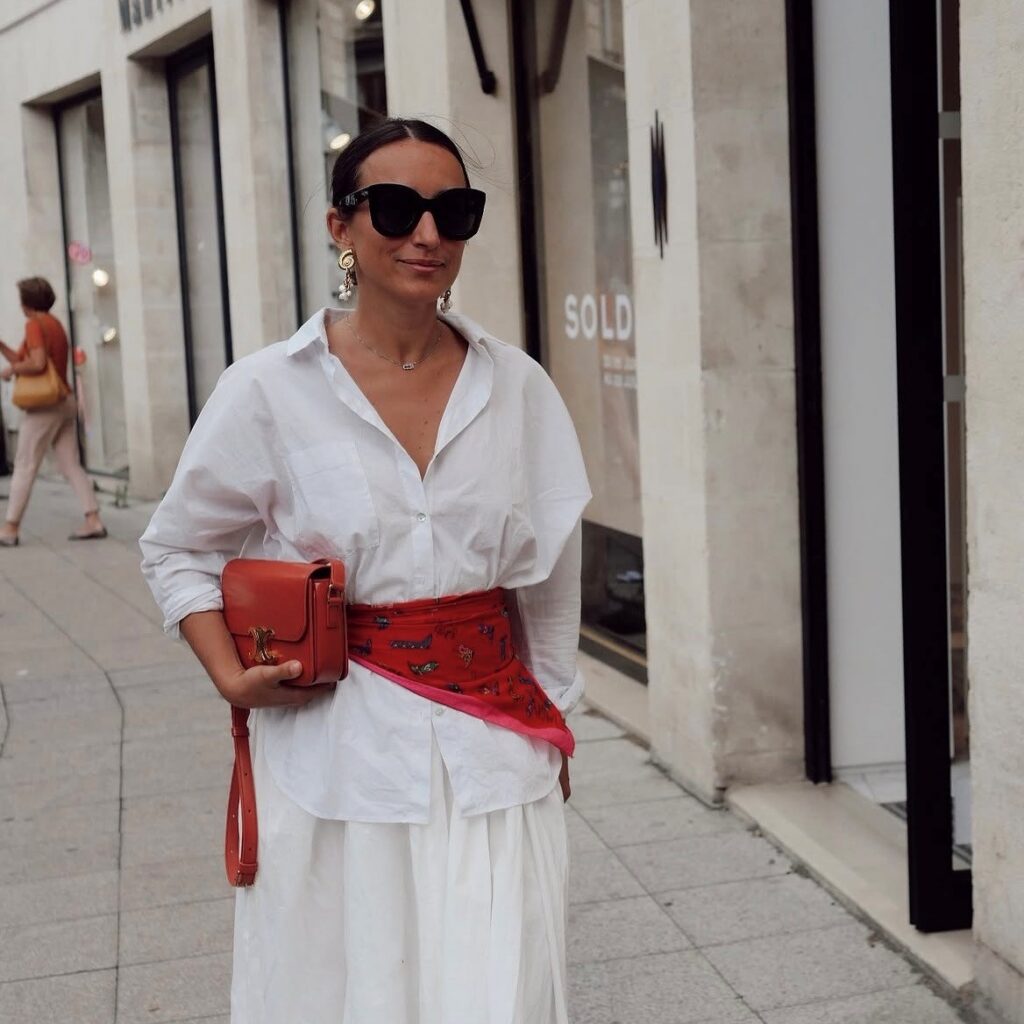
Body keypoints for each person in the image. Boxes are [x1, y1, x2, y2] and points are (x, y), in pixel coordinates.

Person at [139, 117, 591, 1024]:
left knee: (497, 994)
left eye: (453, 211)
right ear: (341, 225)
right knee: (349, 995)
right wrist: (227, 670)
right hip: (334, 759)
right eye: (396, 207)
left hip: (494, 760)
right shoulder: (269, 389)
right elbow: (178, 544)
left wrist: (551, 723)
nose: (427, 234)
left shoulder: (519, 388)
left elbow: (547, 577)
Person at [0, 277, 106, 546]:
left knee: (24, 463)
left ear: (27, 302)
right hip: (64, 400)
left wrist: (12, 370)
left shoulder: (34, 325)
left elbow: (34, 364)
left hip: (44, 407)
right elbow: (29, 358)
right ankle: (93, 519)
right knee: (70, 463)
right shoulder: (55, 324)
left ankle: (9, 528)